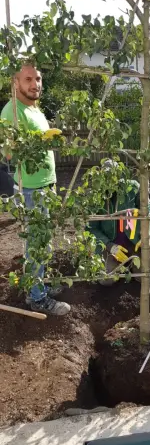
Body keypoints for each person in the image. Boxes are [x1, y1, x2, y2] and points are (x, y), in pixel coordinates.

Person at [1, 64, 70, 315]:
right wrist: (37, 142)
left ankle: (39, 286)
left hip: (45, 184)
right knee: (36, 245)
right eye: (28, 79)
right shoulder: (12, 112)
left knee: (44, 244)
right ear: (15, 82)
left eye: (38, 78)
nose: (35, 84)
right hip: (32, 189)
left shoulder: (34, 108)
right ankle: (37, 298)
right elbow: (7, 152)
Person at [88, 160, 150, 285]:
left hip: (134, 243)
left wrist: (144, 236)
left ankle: (133, 264)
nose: (110, 181)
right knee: (106, 280)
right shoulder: (96, 197)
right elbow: (91, 228)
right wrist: (110, 247)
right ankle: (118, 265)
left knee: (146, 277)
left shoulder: (132, 188)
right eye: (106, 177)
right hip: (111, 245)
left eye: (113, 176)